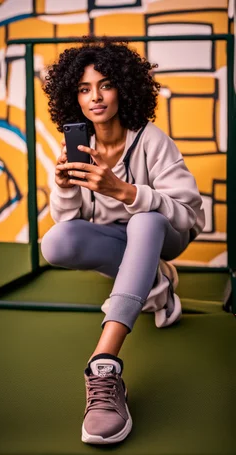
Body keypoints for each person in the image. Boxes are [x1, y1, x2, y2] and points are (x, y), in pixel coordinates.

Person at [41, 36, 205, 445]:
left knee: (145, 222)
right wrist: (63, 186)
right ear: (72, 98)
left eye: (105, 84)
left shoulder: (151, 140)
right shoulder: (75, 147)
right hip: (121, 244)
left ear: (124, 89)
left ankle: (105, 361)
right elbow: (71, 228)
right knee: (55, 243)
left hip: (163, 236)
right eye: (83, 88)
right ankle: (155, 284)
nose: (94, 97)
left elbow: (191, 216)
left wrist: (125, 191)